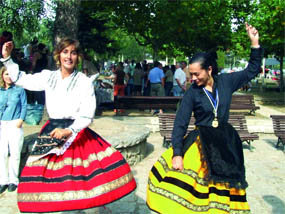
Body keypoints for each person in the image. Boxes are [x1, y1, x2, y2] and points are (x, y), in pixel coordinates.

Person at [1, 38, 136, 213]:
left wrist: (69, 130)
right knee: (37, 182)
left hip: (75, 132)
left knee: (78, 183)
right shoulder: (48, 77)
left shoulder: (83, 81)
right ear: (58, 55)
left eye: (73, 52)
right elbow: (20, 79)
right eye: (65, 52)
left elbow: (87, 113)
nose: (69, 56)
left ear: (78, 57)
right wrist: (7, 59)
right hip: (51, 131)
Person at [146, 23, 262, 213]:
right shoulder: (192, 92)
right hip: (201, 143)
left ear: (209, 69)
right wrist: (177, 153)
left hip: (225, 143)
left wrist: (254, 43)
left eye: (196, 74)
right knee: (194, 190)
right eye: (190, 74)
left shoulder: (226, 82)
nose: (192, 78)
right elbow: (181, 122)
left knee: (224, 187)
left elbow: (253, 69)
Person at [0, 66, 27, 194]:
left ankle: (13, 180)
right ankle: (3, 180)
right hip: (2, 124)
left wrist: (21, 119)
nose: (8, 76)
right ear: (2, 75)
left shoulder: (19, 90)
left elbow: (24, 105)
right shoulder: (0, 91)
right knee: (2, 153)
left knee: (15, 153)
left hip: (15, 123)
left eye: (10, 74)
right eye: (6, 74)